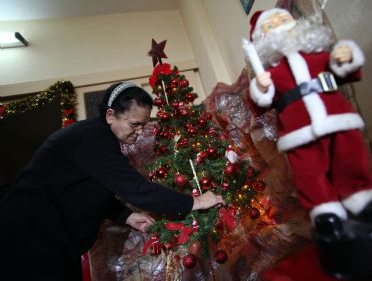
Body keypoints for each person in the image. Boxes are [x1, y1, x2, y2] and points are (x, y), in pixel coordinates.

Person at [0, 81, 224, 280]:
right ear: (110, 115)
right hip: (26, 234)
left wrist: (125, 215)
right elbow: (137, 189)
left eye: (143, 126)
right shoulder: (93, 139)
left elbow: (91, 188)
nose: (138, 132)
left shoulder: (98, 138)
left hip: (46, 237)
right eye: (134, 124)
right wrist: (195, 202)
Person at [244, 8, 372, 228]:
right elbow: (256, 105)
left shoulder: (319, 56)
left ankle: (365, 200)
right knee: (309, 173)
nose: (281, 25)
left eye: (284, 19)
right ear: (263, 40)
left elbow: (348, 71)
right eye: (271, 25)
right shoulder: (271, 74)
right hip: (299, 132)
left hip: (338, 119)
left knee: (351, 160)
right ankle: (325, 212)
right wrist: (260, 87)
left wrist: (346, 57)